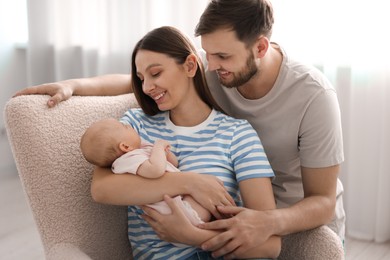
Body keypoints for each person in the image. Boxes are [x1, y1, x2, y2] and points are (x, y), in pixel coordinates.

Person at [14, 0, 345, 258]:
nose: (209, 66)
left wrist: (261, 223)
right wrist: (74, 84)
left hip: (296, 213)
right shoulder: (211, 72)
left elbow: (321, 202)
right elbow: (138, 81)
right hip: (238, 212)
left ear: (260, 48)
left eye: (220, 56)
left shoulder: (313, 97)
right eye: (206, 54)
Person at [44, 25, 280, 259]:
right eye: (141, 78)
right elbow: (102, 190)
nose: (146, 87)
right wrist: (189, 182)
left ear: (189, 66)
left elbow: (270, 246)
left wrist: (195, 237)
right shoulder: (134, 126)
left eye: (155, 73)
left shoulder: (238, 134)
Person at [80, 117, 210, 227]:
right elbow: (156, 170)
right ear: (125, 146)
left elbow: (173, 165)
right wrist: (158, 146)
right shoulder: (127, 161)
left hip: (179, 207)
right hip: (179, 213)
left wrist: (165, 153)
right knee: (208, 209)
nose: (130, 127)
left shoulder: (138, 154)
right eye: (125, 126)